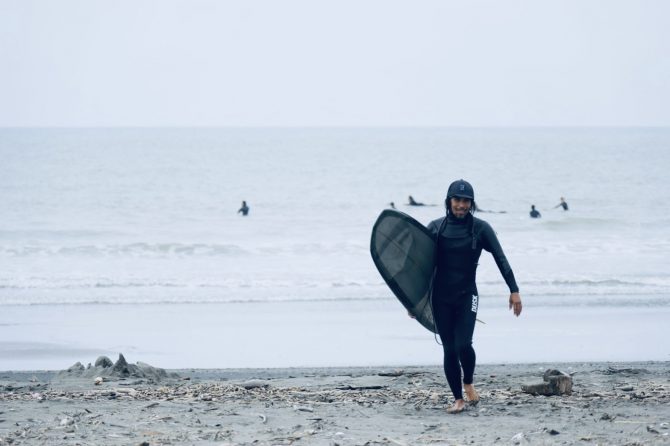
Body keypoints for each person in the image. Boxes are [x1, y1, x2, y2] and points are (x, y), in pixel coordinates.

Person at [427, 179, 522, 414]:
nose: (461, 205)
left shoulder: (481, 229)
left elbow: (500, 258)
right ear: (449, 201)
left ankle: (467, 380)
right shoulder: (436, 228)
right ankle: (458, 398)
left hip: (467, 295)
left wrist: (514, 290)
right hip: (440, 297)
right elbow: (420, 265)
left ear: (472, 203)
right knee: (449, 349)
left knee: (463, 344)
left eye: (466, 201)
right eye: (457, 200)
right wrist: (413, 301)